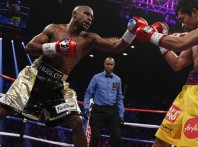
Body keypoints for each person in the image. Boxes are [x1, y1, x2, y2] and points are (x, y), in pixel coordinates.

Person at [0, 5, 148, 147]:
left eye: (92, 17)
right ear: (74, 14)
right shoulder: (54, 28)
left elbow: (117, 47)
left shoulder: (90, 38)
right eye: (86, 14)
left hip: (58, 84)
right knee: (4, 110)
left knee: (77, 122)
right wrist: (56, 47)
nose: (90, 18)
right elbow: (29, 48)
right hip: (35, 75)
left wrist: (131, 32)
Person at [135, 0, 198, 147]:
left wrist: (151, 34)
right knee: (162, 139)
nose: (182, 25)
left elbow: (180, 43)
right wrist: (159, 41)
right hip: (187, 91)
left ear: (194, 12)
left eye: (182, 19)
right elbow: (177, 64)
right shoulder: (196, 39)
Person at [83, 57, 124, 147]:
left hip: (112, 111)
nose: (109, 66)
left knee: (117, 137)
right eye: (107, 64)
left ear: (114, 66)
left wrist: (121, 115)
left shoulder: (117, 79)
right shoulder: (96, 77)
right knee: (95, 137)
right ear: (104, 64)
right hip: (98, 110)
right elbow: (88, 93)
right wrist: (85, 108)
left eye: (111, 64)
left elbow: (119, 98)